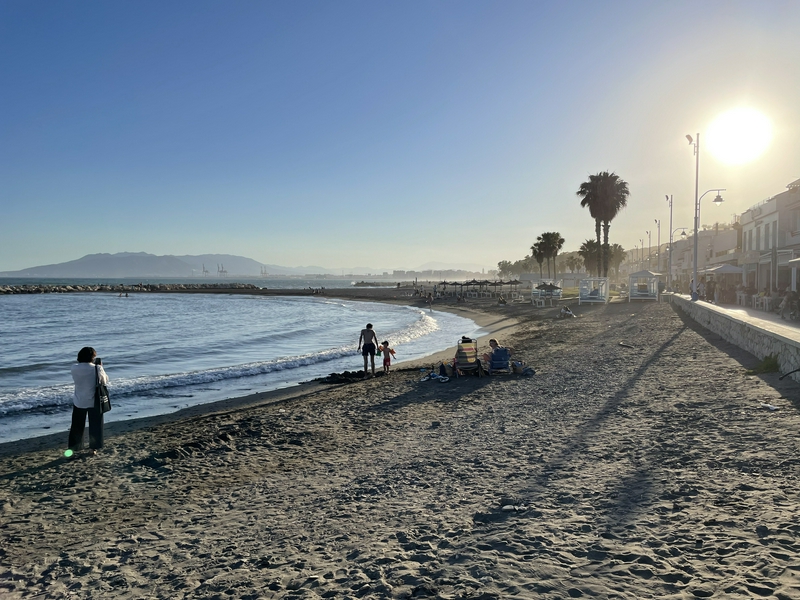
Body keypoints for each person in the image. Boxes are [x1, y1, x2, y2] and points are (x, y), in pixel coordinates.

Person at [68, 347, 108, 455]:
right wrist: (101, 367)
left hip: (79, 400)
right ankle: (93, 449)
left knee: (77, 425)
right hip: (94, 400)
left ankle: (74, 448)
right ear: (92, 357)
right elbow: (104, 381)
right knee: (95, 425)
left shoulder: (74, 367)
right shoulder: (96, 368)